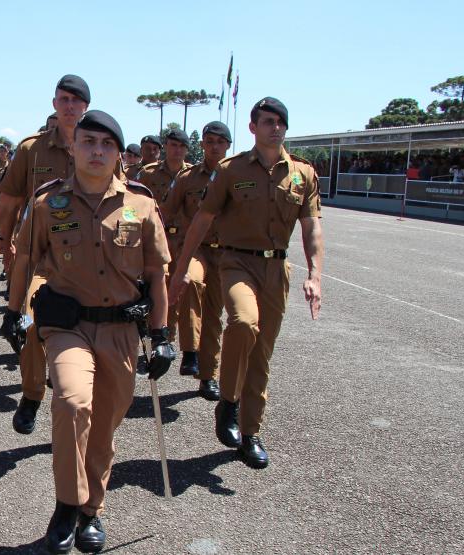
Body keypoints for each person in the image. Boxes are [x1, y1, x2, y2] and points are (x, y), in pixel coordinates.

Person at [6, 110, 174, 553]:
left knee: (103, 429)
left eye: (106, 144)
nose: (96, 151)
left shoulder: (142, 205)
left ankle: (91, 510)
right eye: (88, 142)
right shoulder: (47, 203)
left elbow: (157, 274)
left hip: (121, 331)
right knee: (72, 401)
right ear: (74, 147)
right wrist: (11, 312)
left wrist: (162, 335)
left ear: (118, 153)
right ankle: (67, 504)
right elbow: (25, 260)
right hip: (68, 327)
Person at [169, 97, 324, 469]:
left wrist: (316, 274)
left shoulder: (302, 174)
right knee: (242, 321)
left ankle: (250, 432)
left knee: (262, 354)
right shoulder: (231, 170)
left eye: (281, 122)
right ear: (253, 128)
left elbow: (312, 226)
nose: (276, 127)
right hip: (236, 262)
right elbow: (203, 219)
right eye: (268, 121)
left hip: (277, 269)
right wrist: (181, 267)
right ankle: (229, 399)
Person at [0, 74, 91, 436]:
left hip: (87, 261)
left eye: (76, 101)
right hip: (40, 258)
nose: (70, 107)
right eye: (64, 99)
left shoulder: (100, 145)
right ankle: (31, 393)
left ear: (86, 107)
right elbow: (8, 200)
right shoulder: (31, 150)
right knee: (26, 322)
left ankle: (68, 384)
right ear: (54, 104)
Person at [163, 121, 231, 400]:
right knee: (189, 281)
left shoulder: (237, 175)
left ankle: (207, 376)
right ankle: (189, 350)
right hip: (196, 250)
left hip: (228, 253)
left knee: (214, 317)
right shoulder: (188, 178)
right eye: (209, 142)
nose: (214, 147)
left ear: (228, 145)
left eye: (220, 142)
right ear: (202, 145)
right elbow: (166, 213)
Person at [136, 128, 192, 346]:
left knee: (177, 288)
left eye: (181, 146)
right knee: (152, 285)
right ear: (165, 147)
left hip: (183, 241)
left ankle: (166, 334)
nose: (177, 150)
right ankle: (153, 327)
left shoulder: (194, 175)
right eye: (173, 145)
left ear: (187, 149)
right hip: (155, 239)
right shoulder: (148, 173)